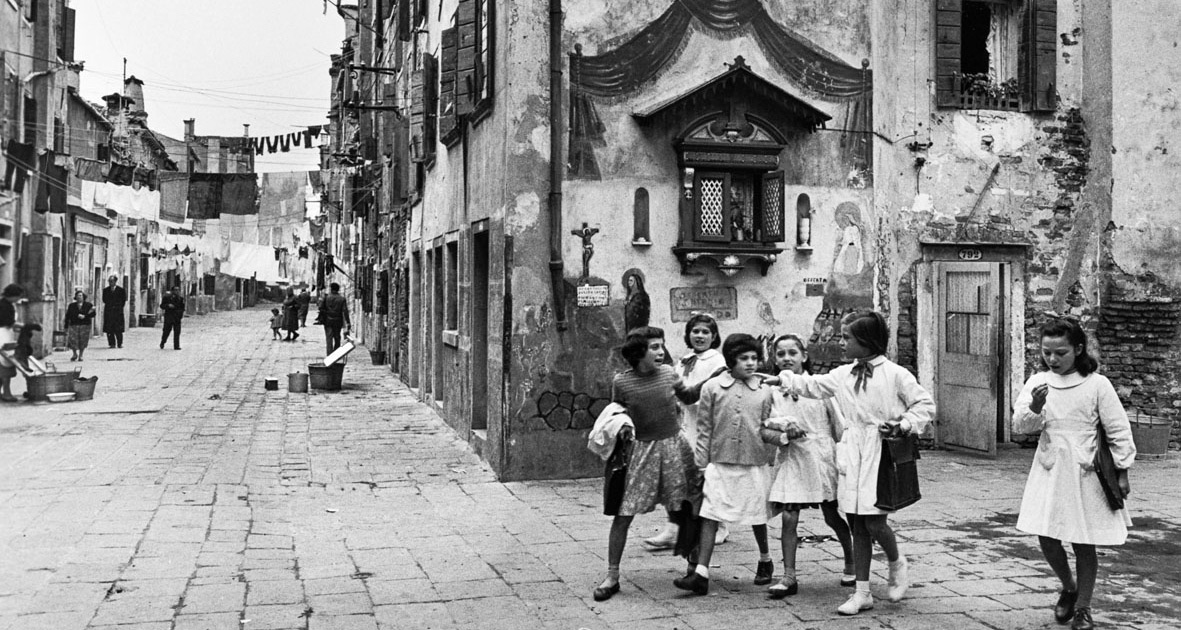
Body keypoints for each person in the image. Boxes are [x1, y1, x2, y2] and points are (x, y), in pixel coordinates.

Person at [771, 311, 934, 616]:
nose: (841, 343)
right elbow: (812, 386)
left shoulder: (896, 374)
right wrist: (783, 378)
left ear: (867, 341)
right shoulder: (844, 373)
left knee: (874, 520)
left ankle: (896, 561)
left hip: (880, 450)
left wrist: (903, 425)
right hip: (851, 449)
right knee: (857, 521)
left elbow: (924, 405)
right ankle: (862, 592)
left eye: (847, 338)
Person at [1014, 317, 1134, 630]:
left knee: (1084, 539)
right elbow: (1020, 427)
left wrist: (1122, 470)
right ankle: (1068, 586)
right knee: (1048, 533)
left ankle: (1083, 608)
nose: (1052, 359)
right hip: (1050, 465)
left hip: (1086, 468)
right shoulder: (1037, 383)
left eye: (1060, 353)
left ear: (1078, 349)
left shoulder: (1097, 384)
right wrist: (1036, 408)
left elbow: (1117, 428)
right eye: (1047, 352)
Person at [593, 326, 711, 602]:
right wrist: (621, 427)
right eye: (654, 347)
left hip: (674, 449)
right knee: (624, 513)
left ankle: (695, 570)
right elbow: (616, 412)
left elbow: (690, 396)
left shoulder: (670, 374)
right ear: (638, 353)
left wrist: (712, 381)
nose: (661, 352)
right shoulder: (622, 382)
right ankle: (612, 575)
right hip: (642, 452)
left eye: (662, 346)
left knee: (688, 507)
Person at [673, 333, 775, 596]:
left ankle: (765, 559)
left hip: (753, 461)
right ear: (731, 360)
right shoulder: (712, 388)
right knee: (710, 513)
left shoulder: (765, 389)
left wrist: (771, 456)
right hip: (719, 461)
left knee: (757, 513)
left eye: (754, 358)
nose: (751, 363)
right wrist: (702, 463)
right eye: (744, 359)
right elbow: (705, 428)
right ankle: (701, 574)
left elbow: (768, 425)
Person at [761, 333, 855, 597]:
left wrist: (842, 456)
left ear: (804, 355)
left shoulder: (819, 388)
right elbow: (765, 421)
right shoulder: (772, 390)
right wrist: (782, 428)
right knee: (789, 516)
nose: (787, 358)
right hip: (792, 456)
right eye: (780, 354)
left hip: (819, 456)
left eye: (793, 353)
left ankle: (851, 561)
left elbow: (838, 425)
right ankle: (788, 576)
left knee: (831, 514)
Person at [645, 313, 731, 551]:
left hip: (705, 426)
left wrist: (677, 389)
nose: (700, 336)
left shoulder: (718, 362)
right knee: (677, 479)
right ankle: (674, 527)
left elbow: (697, 395)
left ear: (714, 336)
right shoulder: (684, 360)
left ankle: (719, 526)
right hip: (682, 424)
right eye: (695, 331)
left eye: (705, 332)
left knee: (707, 479)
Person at [0, 283, 25, 402]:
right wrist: (24, 326)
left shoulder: (8, 304)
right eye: (18, 296)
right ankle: (7, 393)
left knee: (5, 364)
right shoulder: (4, 306)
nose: (19, 299)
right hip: (2, 336)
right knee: (5, 366)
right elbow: (8, 322)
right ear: (12, 295)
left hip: (6, 334)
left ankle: (3, 391)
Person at [318, 282, 350, 354]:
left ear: (331, 289)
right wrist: (348, 322)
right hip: (338, 321)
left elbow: (320, 307)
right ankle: (336, 354)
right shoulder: (342, 299)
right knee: (337, 337)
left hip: (328, 320)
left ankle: (329, 354)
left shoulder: (326, 298)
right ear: (338, 289)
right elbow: (345, 311)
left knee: (329, 338)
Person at [65, 290, 96, 362]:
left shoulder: (88, 305)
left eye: (81, 295)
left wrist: (85, 316)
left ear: (83, 297)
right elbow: (68, 315)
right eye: (78, 295)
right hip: (74, 324)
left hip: (85, 325)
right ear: (75, 297)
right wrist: (66, 325)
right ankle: (74, 354)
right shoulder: (72, 305)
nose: (79, 297)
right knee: (73, 340)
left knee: (83, 340)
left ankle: (81, 355)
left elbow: (93, 315)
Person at [101, 276, 127, 348]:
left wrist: (118, 307)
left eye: (112, 281)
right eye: (109, 281)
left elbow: (123, 301)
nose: (110, 283)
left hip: (118, 313)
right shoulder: (106, 290)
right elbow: (104, 300)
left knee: (118, 329)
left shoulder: (121, 290)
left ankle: (119, 343)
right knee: (109, 329)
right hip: (109, 312)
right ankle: (112, 343)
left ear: (115, 282)